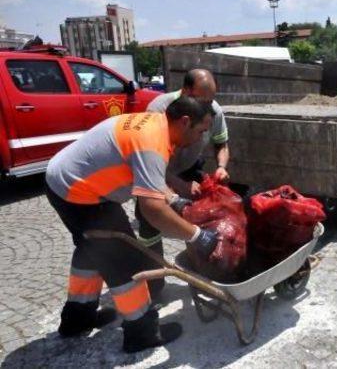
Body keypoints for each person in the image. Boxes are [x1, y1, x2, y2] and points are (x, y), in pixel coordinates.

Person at [45, 96, 219, 353]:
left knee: (91, 250)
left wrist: (175, 200)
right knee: (126, 262)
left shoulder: (155, 124)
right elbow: (152, 211)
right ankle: (142, 333)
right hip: (79, 194)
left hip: (64, 181)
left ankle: (77, 320)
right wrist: (197, 235)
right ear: (184, 122)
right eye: (201, 131)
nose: (200, 139)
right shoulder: (152, 142)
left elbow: (148, 175)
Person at [136, 69, 230, 298]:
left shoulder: (214, 111)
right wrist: (177, 186)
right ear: (186, 92)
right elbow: (147, 160)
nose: (208, 106)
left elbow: (222, 144)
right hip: (157, 172)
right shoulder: (159, 108)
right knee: (150, 223)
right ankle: (153, 286)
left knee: (211, 215)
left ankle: (208, 271)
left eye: (211, 100)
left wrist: (221, 166)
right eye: (202, 99)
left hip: (188, 167)